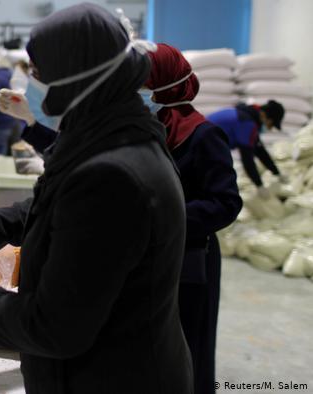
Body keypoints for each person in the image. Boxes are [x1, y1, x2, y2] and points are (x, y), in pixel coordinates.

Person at [0, 4, 193, 393]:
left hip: (115, 377)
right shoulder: (114, 131)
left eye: (37, 73)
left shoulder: (113, 172)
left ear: (73, 76)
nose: (30, 83)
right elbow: (60, 205)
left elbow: (57, 326)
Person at [143, 43, 243, 394]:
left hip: (190, 258)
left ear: (164, 84)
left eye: (143, 81)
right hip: (149, 257)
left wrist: (166, 219)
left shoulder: (202, 134)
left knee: (189, 348)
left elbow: (225, 202)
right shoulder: (146, 130)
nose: (137, 91)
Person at [207, 101, 287, 198]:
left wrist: (277, 173)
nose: (269, 128)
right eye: (271, 123)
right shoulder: (247, 123)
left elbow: (260, 151)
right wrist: (259, 186)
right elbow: (247, 159)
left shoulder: (247, 116)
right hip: (204, 147)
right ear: (264, 114)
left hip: (206, 144)